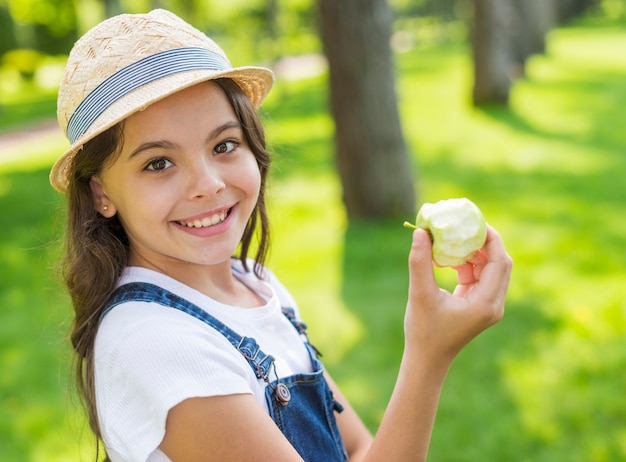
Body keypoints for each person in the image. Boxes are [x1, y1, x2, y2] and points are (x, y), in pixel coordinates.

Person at [51, 9, 513, 462]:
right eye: (158, 163)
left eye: (224, 145)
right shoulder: (156, 344)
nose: (208, 183)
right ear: (100, 193)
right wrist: (428, 354)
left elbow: (356, 449)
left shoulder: (255, 284)